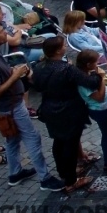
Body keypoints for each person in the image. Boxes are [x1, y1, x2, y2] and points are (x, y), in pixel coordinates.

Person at [0, 24, 63, 189]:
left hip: (11, 105)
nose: (6, 33)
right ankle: (45, 178)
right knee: (33, 138)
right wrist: (14, 76)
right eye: (1, 32)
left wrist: (11, 72)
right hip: (12, 107)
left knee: (12, 140)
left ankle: (15, 173)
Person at [33, 35, 102, 193]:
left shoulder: (39, 67)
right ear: (58, 51)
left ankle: (64, 173)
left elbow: (37, 86)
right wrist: (96, 73)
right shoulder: (66, 69)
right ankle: (71, 181)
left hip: (49, 109)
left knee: (59, 143)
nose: (65, 47)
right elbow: (91, 83)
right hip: (69, 111)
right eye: (64, 45)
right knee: (70, 145)